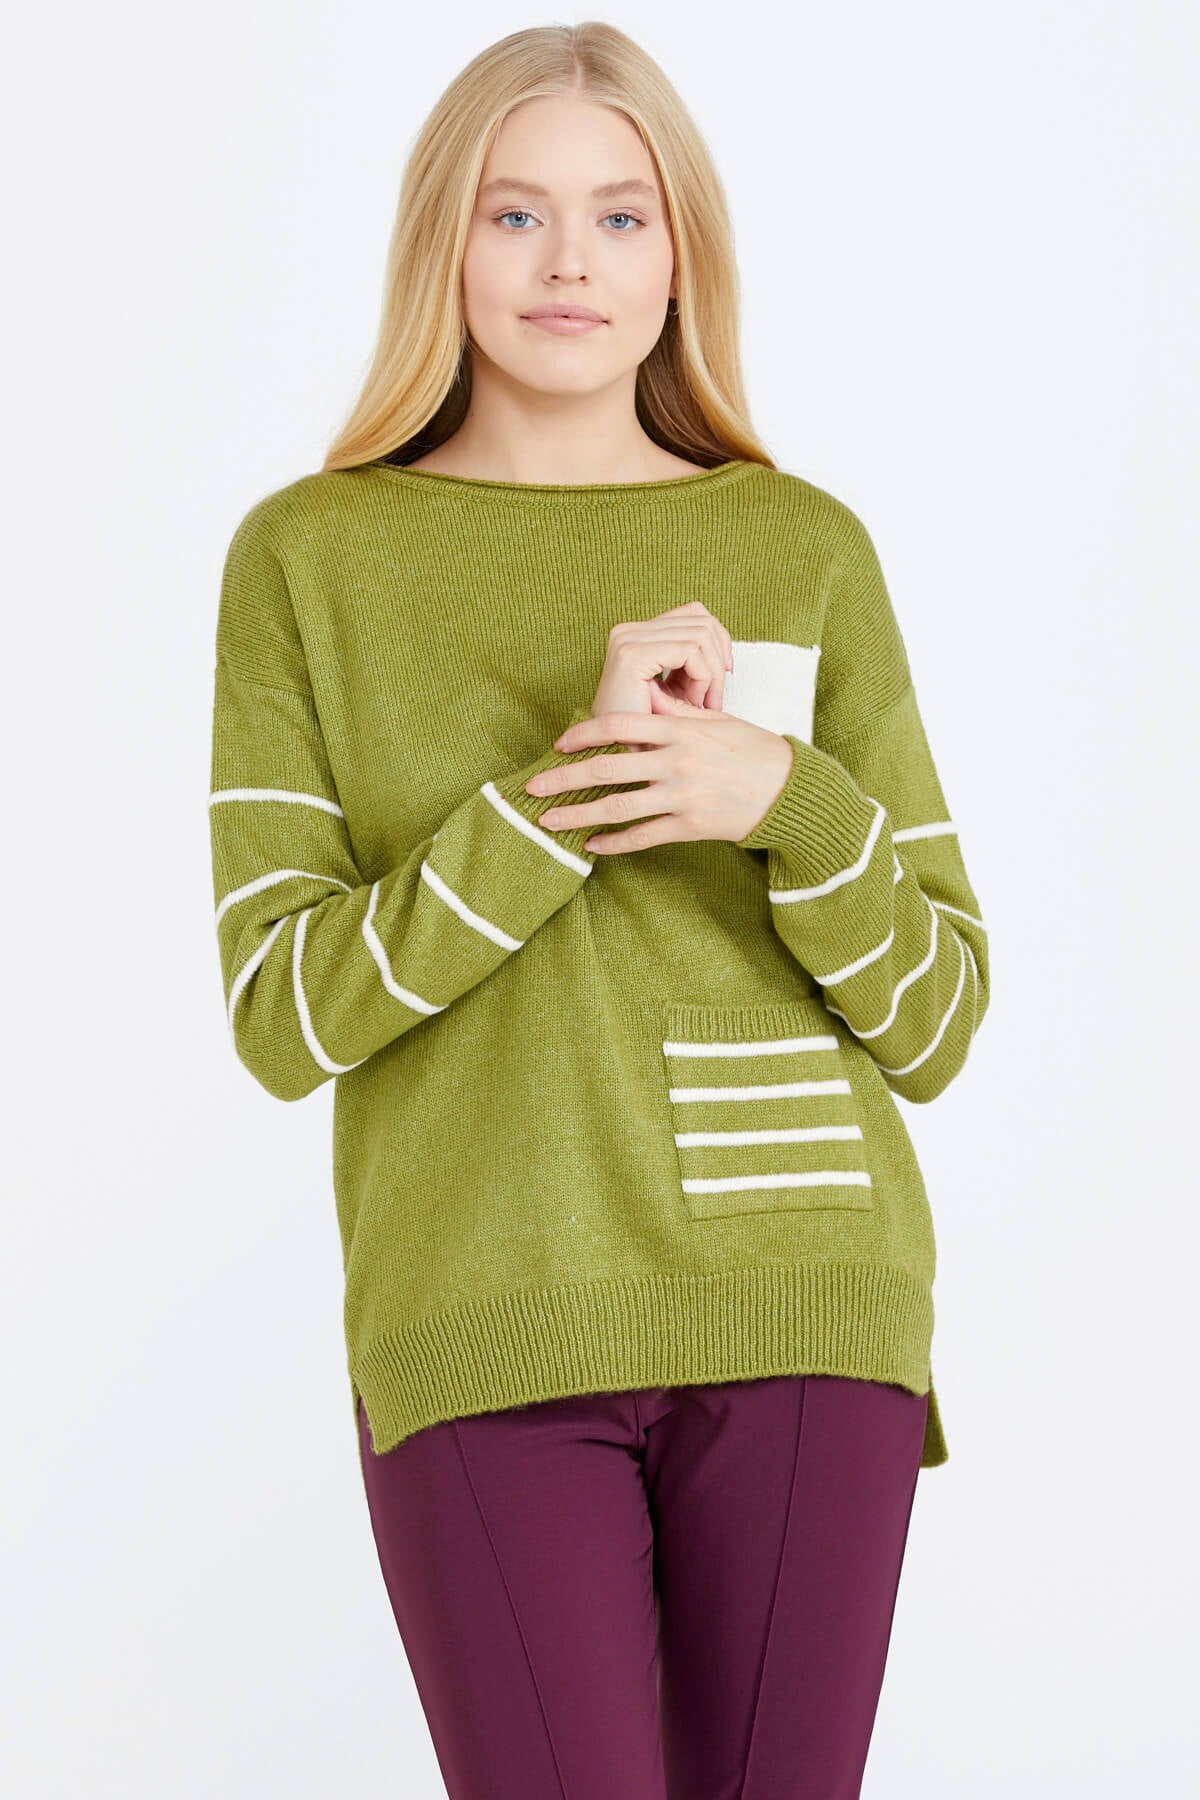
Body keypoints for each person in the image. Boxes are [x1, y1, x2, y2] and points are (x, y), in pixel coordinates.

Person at [207, 22, 990, 1800]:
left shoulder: (803, 545)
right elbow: (283, 1014)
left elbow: (940, 1019)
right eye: (517, 213)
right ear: (443, 243)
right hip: (481, 1301)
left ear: (682, 255)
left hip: (805, 1298)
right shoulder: (309, 558)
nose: (572, 263)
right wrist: (567, 794)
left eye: (623, 216)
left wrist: (785, 800)